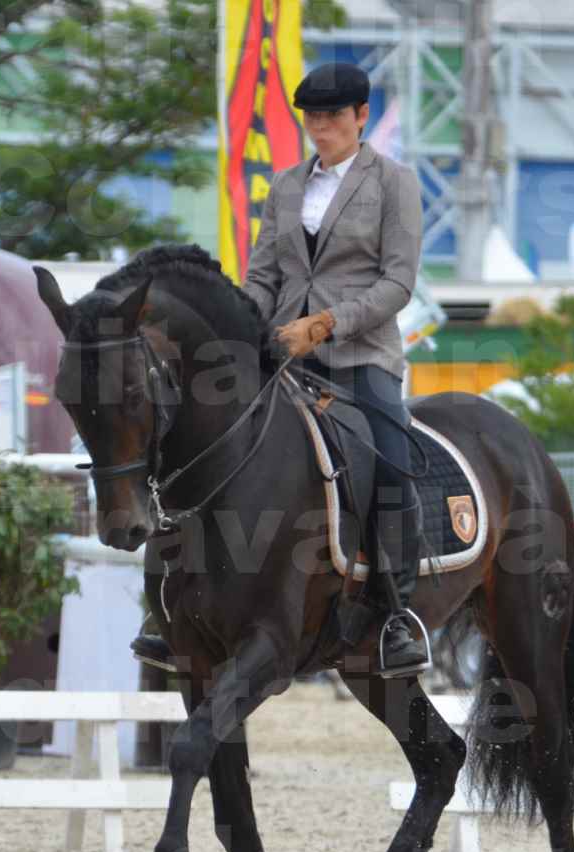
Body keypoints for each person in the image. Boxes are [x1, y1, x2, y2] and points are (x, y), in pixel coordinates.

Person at [132, 61, 428, 676]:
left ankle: (396, 613)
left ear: (361, 117)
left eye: (333, 118)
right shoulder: (288, 186)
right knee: (190, 440)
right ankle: (170, 603)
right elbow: (265, 276)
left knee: (389, 456)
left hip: (359, 354)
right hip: (277, 352)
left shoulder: (395, 182)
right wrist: (240, 336)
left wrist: (325, 324)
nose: (321, 129)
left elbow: (398, 281)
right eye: (312, 118)